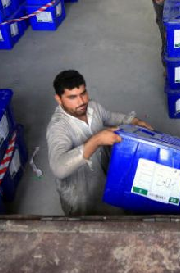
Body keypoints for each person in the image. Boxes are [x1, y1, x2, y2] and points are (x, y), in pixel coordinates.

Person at [46, 70, 153, 216]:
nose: (81, 101)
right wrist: (96, 141)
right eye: (72, 97)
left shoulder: (93, 107)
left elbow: (110, 117)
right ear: (59, 99)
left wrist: (133, 121)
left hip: (103, 179)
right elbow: (59, 168)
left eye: (83, 93)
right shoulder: (58, 128)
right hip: (80, 197)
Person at [149, 0, 180, 65]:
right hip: (165, 21)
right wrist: (164, 30)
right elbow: (159, 16)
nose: (156, 2)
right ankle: (166, 66)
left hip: (178, 20)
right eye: (154, 0)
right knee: (166, 43)